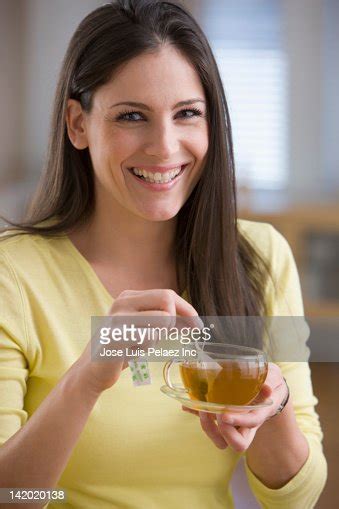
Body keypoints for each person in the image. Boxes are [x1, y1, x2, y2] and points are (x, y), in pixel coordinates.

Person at [0, 1, 327, 508]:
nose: (164, 146)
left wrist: (273, 399)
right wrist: (87, 378)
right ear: (77, 124)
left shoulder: (261, 257)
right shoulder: (13, 275)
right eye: (132, 116)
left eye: (187, 114)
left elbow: (296, 499)